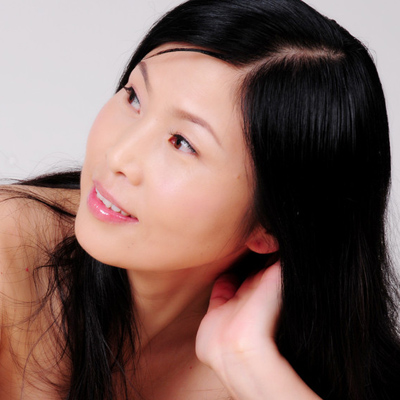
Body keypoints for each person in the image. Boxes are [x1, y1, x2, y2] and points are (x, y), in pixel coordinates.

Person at [1, 0, 399, 398]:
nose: (118, 156)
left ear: (271, 224)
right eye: (134, 97)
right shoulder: (9, 253)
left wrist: (247, 361)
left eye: (182, 143)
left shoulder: (279, 367)